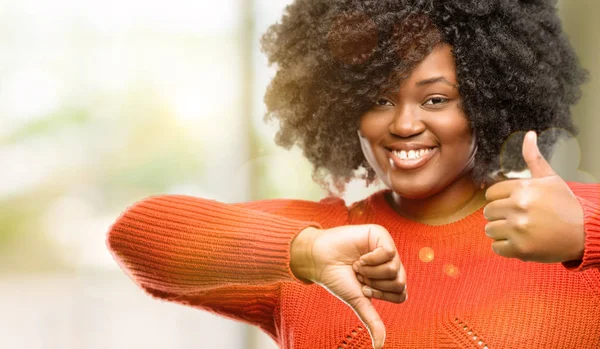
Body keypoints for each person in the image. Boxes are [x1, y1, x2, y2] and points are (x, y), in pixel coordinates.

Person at [107, 0, 600, 348]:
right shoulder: (322, 241)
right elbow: (137, 235)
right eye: (378, 100)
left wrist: (587, 233)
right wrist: (306, 252)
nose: (405, 124)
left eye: (436, 99)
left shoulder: (565, 226)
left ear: (488, 100)